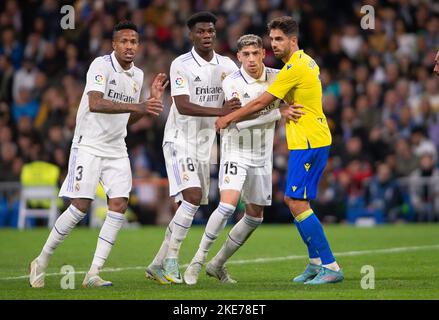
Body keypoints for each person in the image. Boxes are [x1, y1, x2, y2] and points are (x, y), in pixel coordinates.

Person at [28, 21, 168, 288]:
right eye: (124, 42)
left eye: (134, 42)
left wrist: (148, 103)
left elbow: (127, 119)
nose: (129, 46)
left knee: (119, 204)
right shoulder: (100, 65)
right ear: (114, 45)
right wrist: (138, 104)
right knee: (80, 206)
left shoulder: (138, 75)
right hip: (89, 144)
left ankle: (93, 272)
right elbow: (95, 102)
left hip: (116, 147)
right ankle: (42, 260)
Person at [216, 16, 344, 284]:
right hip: (308, 138)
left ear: (293, 40)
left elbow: (261, 102)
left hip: (309, 141)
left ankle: (330, 265)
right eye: (271, 39)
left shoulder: (293, 68)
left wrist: (228, 118)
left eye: (279, 39)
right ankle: (315, 262)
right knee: (294, 200)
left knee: (297, 202)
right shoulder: (304, 61)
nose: (273, 44)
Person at [184, 34, 301, 285]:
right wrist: (277, 114)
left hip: (262, 154)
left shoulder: (277, 76)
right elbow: (237, 119)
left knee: (255, 216)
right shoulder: (232, 82)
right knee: (227, 206)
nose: (250, 59)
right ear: (238, 57)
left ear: (263, 54)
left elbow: (295, 102)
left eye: (255, 53)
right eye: (245, 55)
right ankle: (196, 261)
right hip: (236, 149)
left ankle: (217, 264)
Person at [144, 12, 240, 284]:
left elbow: (240, 94)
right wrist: (221, 111)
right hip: (178, 140)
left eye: (210, 31)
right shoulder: (180, 64)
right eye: (201, 31)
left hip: (204, 146)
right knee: (193, 196)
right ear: (191, 35)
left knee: (189, 203)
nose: (207, 35)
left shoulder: (227, 65)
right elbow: (183, 106)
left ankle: (156, 263)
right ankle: (173, 259)